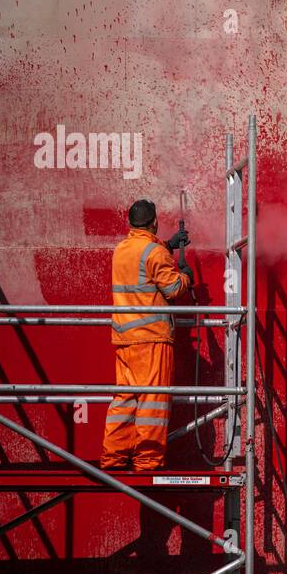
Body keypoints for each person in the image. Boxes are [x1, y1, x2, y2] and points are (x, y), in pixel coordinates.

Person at [100, 199, 193, 470]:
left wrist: (167, 245)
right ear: (154, 223)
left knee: (125, 399)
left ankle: (114, 457)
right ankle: (148, 461)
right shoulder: (154, 252)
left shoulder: (122, 250)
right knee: (153, 401)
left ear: (130, 222)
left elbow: (142, 263)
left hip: (125, 339)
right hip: (152, 338)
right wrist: (186, 276)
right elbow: (174, 289)